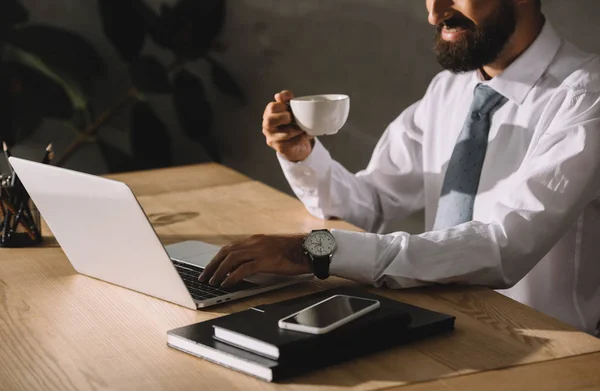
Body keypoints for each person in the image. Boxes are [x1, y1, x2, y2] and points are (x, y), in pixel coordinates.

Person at [199, 0, 600, 335]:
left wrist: (313, 250)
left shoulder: (586, 98)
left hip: (553, 351)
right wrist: (303, 156)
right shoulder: (448, 91)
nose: (435, 12)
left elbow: (500, 246)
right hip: (445, 330)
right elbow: (369, 204)